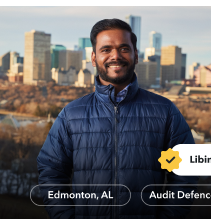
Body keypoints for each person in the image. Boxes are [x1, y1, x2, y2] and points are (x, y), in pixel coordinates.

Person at [37, 18, 197, 219]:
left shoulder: (165, 111)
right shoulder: (71, 114)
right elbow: (51, 172)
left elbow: (185, 173)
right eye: (106, 50)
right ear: (94, 58)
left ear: (136, 55)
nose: (115, 56)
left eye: (123, 48)